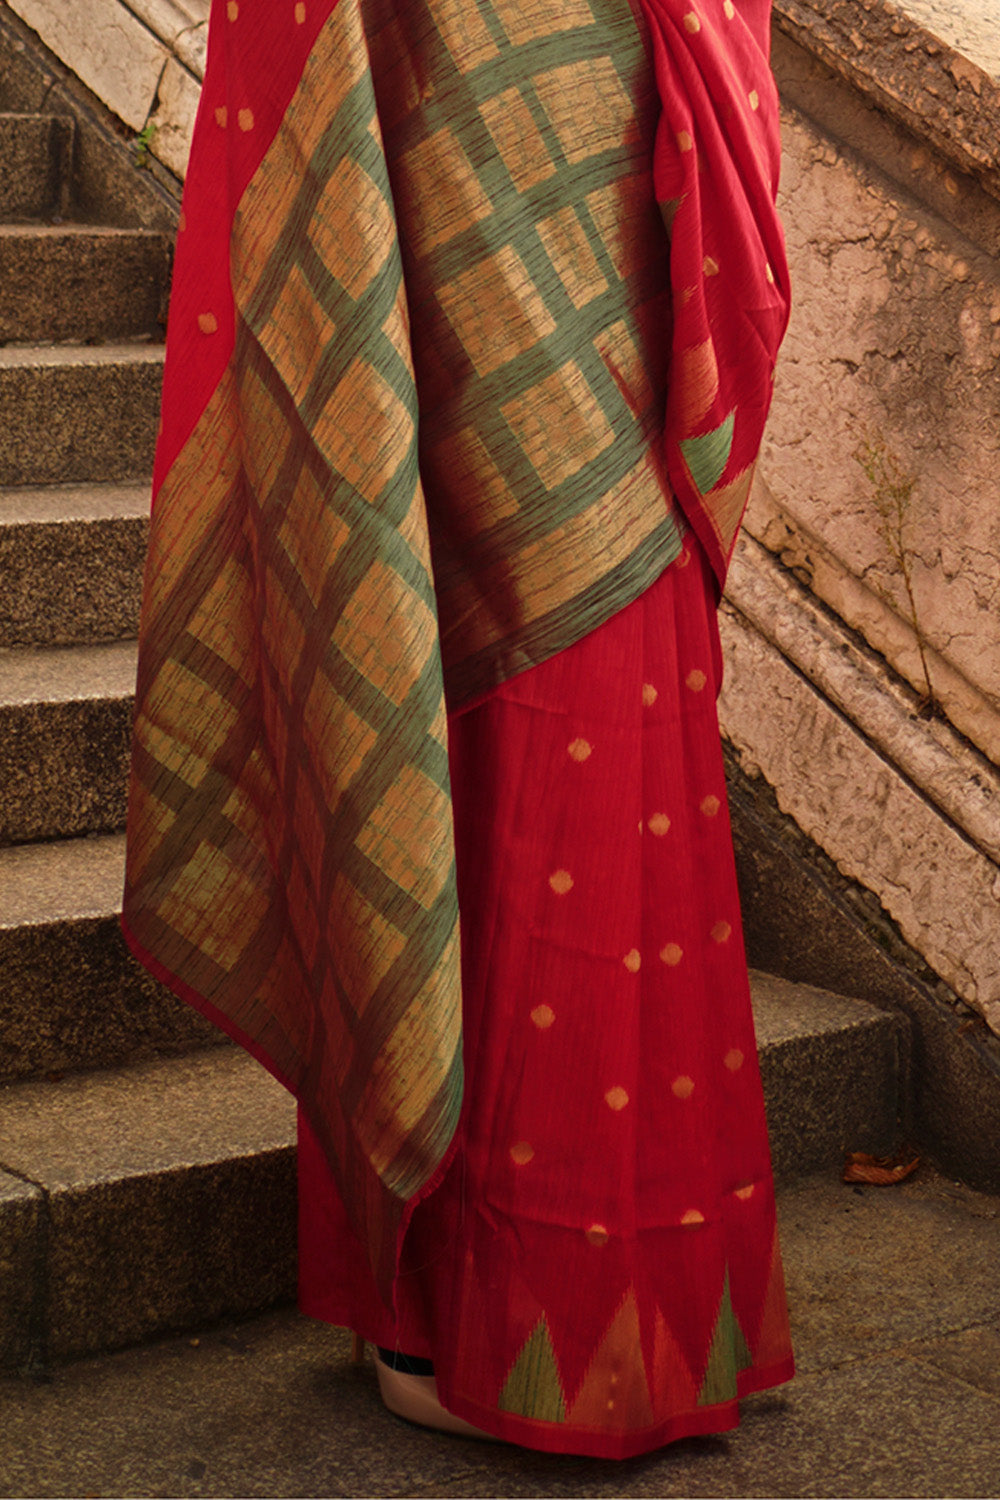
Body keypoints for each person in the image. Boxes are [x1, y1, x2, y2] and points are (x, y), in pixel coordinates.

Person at [123, 0, 794, 1458]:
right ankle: (582, 1308)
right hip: (556, 276)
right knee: (542, 768)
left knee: (524, 767)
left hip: (509, 255)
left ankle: (499, 1312)